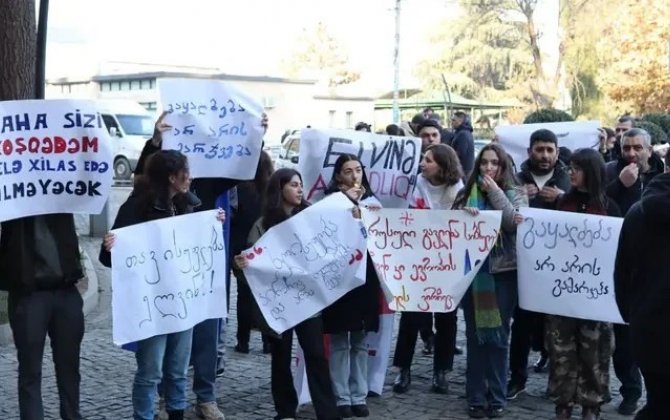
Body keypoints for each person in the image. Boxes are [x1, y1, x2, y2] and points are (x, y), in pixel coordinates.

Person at [137, 111, 269, 420]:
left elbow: (241, 167)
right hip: (167, 279)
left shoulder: (208, 185)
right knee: (167, 338)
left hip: (204, 273)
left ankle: (205, 397)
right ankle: (160, 396)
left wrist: (255, 135)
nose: (189, 175)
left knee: (208, 334)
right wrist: (156, 140)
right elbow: (145, 171)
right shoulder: (151, 196)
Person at [100, 150, 226, 420]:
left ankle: (176, 414)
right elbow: (110, 258)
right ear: (171, 177)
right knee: (151, 371)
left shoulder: (188, 205)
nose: (190, 177)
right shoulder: (136, 207)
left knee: (178, 369)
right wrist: (111, 247)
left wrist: (212, 225)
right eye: (186, 172)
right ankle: (144, 415)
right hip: (152, 307)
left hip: (183, 302)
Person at [233, 168, 340, 420]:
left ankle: (328, 412)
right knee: (280, 359)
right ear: (279, 189)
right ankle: (285, 411)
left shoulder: (311, 218)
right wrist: (241, 265)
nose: (299, 189)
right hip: (278, 304)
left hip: (307, 300)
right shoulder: (263, 225)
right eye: (293, 184)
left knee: (315, 354)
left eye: (300, 184)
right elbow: (251, 267)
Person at [452, 143, 526, 419]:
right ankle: (475, 396)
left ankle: (496, 395)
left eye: (494, 163)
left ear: (503, 166)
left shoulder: (515, 193)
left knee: (498, 336)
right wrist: (464, 215)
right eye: (484, 163)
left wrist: (495, 194)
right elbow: (450, 229)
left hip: (504, 273)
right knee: (475, 336)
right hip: (474, 274)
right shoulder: (464, 194)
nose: (488, 168)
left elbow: (512, 223)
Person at [546, 148, 620, 420]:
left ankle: (591, 405)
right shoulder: (562, 202)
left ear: (591, 171)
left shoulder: (609, 206)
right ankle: (563, 403)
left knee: (595, 354)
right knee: (561, 352)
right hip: (563, 296)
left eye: (576, 168)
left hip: (595, 299)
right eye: (570, 168)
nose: (571, 173)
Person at [391, 144, 464, 396]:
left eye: (429, 160)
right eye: (423, 158)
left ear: (443, 166)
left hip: (446, 262)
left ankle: (441, 371)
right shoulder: (414, 184)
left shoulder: (458, 191)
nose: (423, 163)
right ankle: (404, 369)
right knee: (411, 316)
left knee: (446, 317)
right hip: (416, 260)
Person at [0, 212, 85, 420]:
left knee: (69, 368)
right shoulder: (13, 204)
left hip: (66, 289)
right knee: (30, 370)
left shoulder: (60, 195)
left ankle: (72, 415)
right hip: (28, 292)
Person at [508, 129, 571, 399]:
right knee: (521, 324)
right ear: (529, 151)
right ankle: (517, 378)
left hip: (559, 266)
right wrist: (519, 196)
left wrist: (561, 198)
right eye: (539, 149)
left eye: (549, 150)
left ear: (557, 152)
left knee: (556, 325)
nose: (544, 155)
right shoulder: (516, 178)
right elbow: (502, 209)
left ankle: (557, 380)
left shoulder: (569, 178)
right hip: (523, 264)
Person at [605, 128, 662, 416]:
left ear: (649, 151)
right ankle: (630, 390)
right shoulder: (609, 173)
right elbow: (596, 204)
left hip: (649, 289)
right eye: (626, 147)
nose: (631, 153)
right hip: (624, 274)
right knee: (624, 344)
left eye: (637, 148)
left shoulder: (658, 179)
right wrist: (618, 185)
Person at [320, 154, 381, 418]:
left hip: (365, 277)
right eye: (348, 171)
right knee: (339, 341)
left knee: (359, 339)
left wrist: (364, 213)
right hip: (340, 277)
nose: (355, 175)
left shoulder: (373, 202)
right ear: (338, 177)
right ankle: (341, 396)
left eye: (358, 170)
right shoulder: (328, 202)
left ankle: (359, 395)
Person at [614, 152, 670, 420]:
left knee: (658, 403)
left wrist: (633, 317)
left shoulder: (637, 211)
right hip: (649, 325)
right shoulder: (638, 212)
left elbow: (621, 275)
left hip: (648, 330)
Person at [230, 151, 274, 355]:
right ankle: (268, 341)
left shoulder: (239, 190)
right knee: (266, 296)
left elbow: (235, 221)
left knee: (244, 296)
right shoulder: (273, 193)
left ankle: (243, 340)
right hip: (267, 250)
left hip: (244, 248)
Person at [449, 111, 475, 176]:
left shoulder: (463, 134)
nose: (452, 122)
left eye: (454, 120)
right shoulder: (465, 132)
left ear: (460, 121)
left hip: (463, 171)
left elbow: (460, 154)